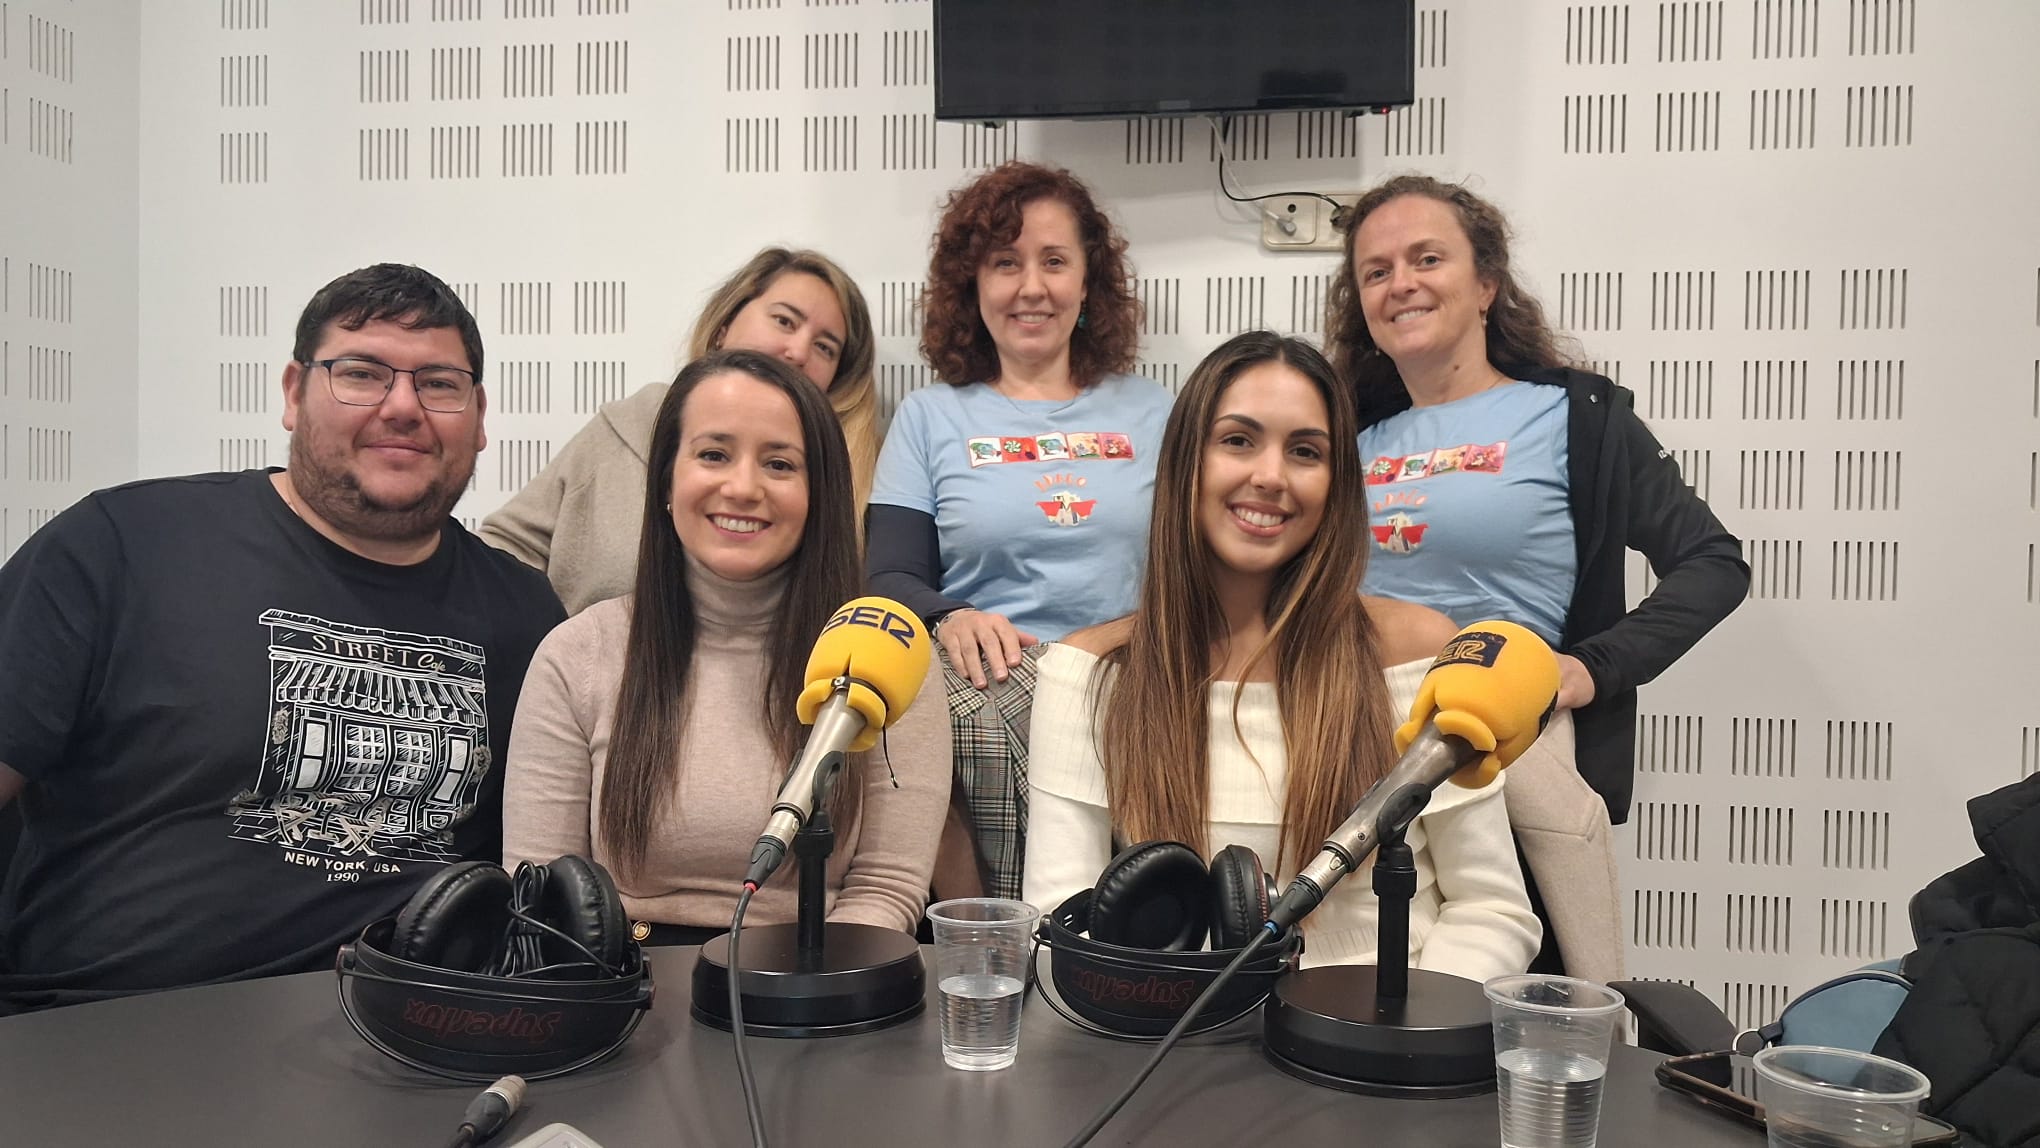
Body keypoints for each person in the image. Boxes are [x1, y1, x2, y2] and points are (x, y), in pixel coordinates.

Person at [0, 264, 566, 1014]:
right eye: (361, 373)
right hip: (108, 1035)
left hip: (403, 1047)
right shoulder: (120, 547)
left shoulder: (527, 615)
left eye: (439, 383)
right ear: (294, 394)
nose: (403, 407)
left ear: (480, 413)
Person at [1023, 332, 1541, 980]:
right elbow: (1055, 931)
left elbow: (1491, 910)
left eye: (1305, 451)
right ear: (1188, 463)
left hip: (1382, 1044)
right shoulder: (1088, 674)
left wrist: (1402, 1038)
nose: (1269, 476)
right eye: (1238, 440)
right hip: (1176, 1044)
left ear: (1336, 484)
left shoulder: (1423, 656)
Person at [1326, 174, 1749, 825]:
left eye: (1428, 259)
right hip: (1351, 751)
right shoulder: (1341, 434)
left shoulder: (1576, 418)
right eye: (1376, 272)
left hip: (1504, 758)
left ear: (1487, 286)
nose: (1401, 283)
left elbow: (1713, 563)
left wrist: (1591, 667)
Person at [503, 350, 950, 940]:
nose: (742, 487)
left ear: (820, 494)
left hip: (818, 985)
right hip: (622, 989)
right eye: (713, 455)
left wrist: (813, 1004)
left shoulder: (885, 651)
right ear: (666, 479)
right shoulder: (577, 654)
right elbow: (538, 892)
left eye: (780, 464)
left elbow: (887, 890)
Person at [867, 161, 1172, 898]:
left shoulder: (1156, 412)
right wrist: (952, 615)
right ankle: (1014, 933)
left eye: (1055, 262)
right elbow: (888, 576)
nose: (1031, 287)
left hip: (1130, 670)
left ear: (1088, 284)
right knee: (952, 708)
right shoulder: (929, 418)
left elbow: (1202, 570)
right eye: (1006, 263)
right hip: (991, 675)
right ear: (972, 285)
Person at [481, 247, 880, 615]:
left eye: (825, 347)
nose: (798, 352)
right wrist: (555, 656)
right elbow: (503, 551)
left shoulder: (838, 478)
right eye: (783, 321)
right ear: (724, 324)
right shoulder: (633, 421)